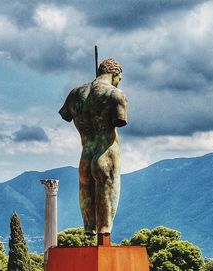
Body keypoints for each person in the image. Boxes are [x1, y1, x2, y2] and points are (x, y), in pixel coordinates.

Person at [59, 58, 128, 236]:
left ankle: (89, 227)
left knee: (85, 189)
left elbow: (66, 115)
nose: (119, 82)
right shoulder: (115, 94)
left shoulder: (75, 93)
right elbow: (119, 121)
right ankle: (104, 230)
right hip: (106, 154)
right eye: (119, 78)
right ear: (115, 74)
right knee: (109, 192)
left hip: (85, 156)